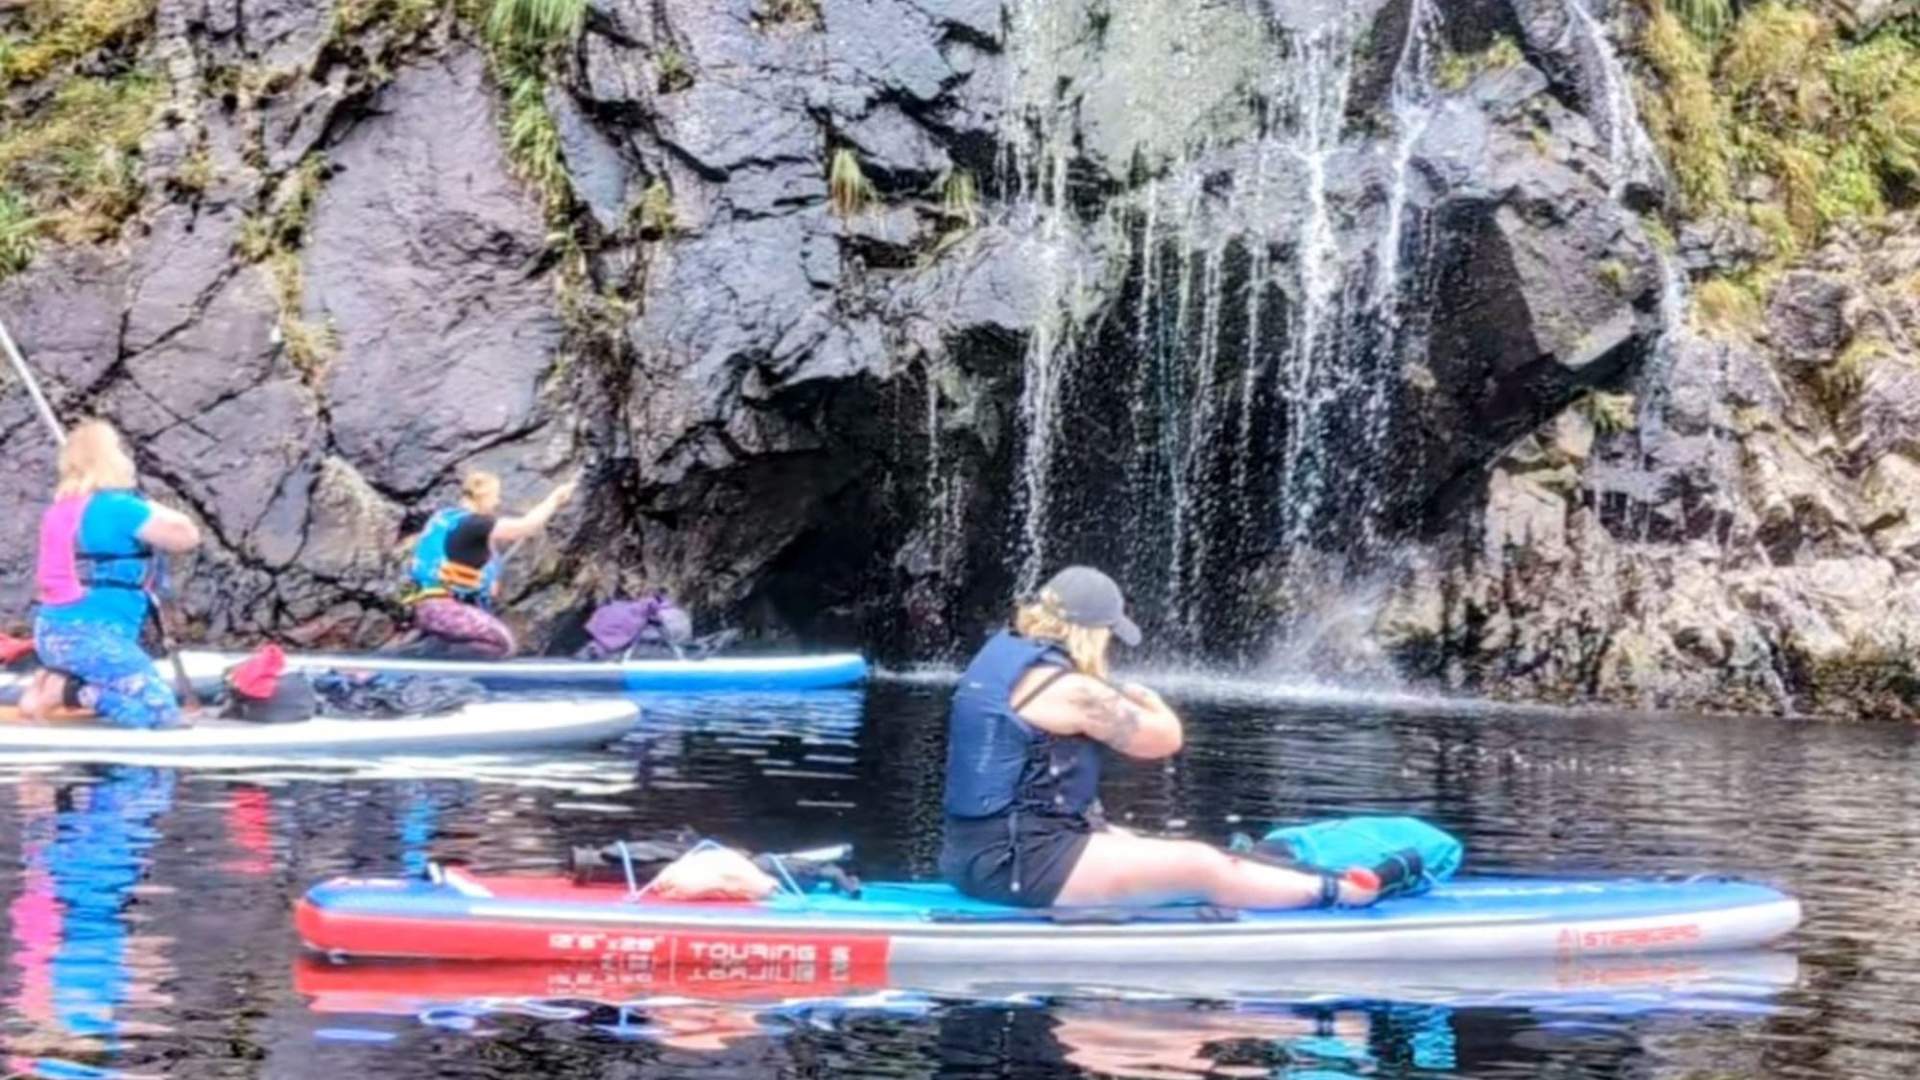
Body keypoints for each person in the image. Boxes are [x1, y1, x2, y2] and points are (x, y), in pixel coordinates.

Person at [940, 566, 1381, 910]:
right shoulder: (1076, 691)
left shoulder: (996, 667)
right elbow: (1163, 740)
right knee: (1199, 864)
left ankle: (1283, 875)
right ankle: (1341, 893)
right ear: (1090, 634)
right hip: (1024, 867)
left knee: (1152, 847)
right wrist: (1151, 700)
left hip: (974, 857)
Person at [18, 421, 201, 728]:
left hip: (52, 633)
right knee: (161, 716)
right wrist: (145, 501)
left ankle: (56, 680)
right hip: (92, 637)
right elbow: (187, 536)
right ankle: (63, 692)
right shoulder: (121, 508)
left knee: (134, 694)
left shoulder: (61, 509)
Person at [403, 470, 576, 659]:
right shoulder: (475, 524)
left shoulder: (445, 518)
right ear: (482, 497)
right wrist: (555, 499)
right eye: (495, 497)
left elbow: (480, 564)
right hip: (446, 612)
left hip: (425, 610)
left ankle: (431, 653)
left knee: (478, 638)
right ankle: (439, 662)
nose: (497, 502)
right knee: (503, 644)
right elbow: (527, 526)